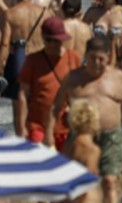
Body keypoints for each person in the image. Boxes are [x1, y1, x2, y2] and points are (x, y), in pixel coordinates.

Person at [51, 35, 122, 203]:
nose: (97, 63)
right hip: (79, 136)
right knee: (75, 181)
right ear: (85, 55)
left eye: (101, 59)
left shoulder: (118, 77)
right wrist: (49, 136)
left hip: (111, 135)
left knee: (110, 181)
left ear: (108, 57)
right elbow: (56, 107)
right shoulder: (73, 78)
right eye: (93, 58)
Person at [17, 16, 82, 147]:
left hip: (66, 127)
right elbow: (23, 94)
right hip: (38, 126)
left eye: (57, 41)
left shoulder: (73, 58)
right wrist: (21, 125)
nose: (53, 45)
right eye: (49, 40)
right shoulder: (33, 61)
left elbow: (81, 90)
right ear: (43, 38)